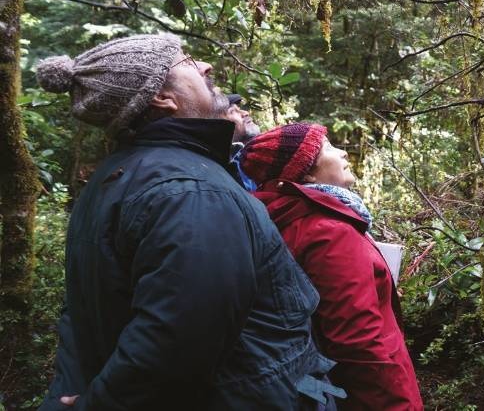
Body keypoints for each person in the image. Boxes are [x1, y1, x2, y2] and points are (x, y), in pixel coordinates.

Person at [35, 34, 343, 411]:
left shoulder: (122, 176)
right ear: (162, 97)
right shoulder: (191, 192)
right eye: (187, 62)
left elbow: (87, 321)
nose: (205, 66)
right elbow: (179, 341)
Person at [235, 123, 424, 411]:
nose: (344, 152)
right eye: (329, 148)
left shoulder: (278, 217)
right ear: (307, 172)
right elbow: (358, 341)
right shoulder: (328, 231)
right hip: (364, 394)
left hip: (315, 388)